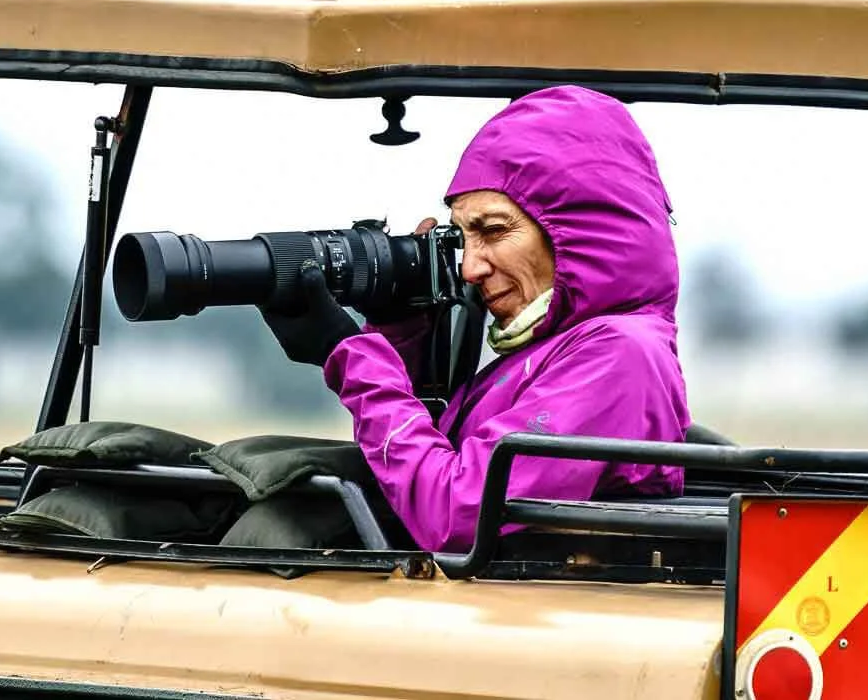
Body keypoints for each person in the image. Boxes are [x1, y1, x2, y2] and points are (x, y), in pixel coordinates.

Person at [259, 85, 692, 553]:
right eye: (464, 237)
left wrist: (352, 360)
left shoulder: (620, 354)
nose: (469, 268)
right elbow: (425, 476)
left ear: (584, 228)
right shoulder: (551, 350)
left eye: (494, 231)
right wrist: (403, 336)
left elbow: (457, 516)